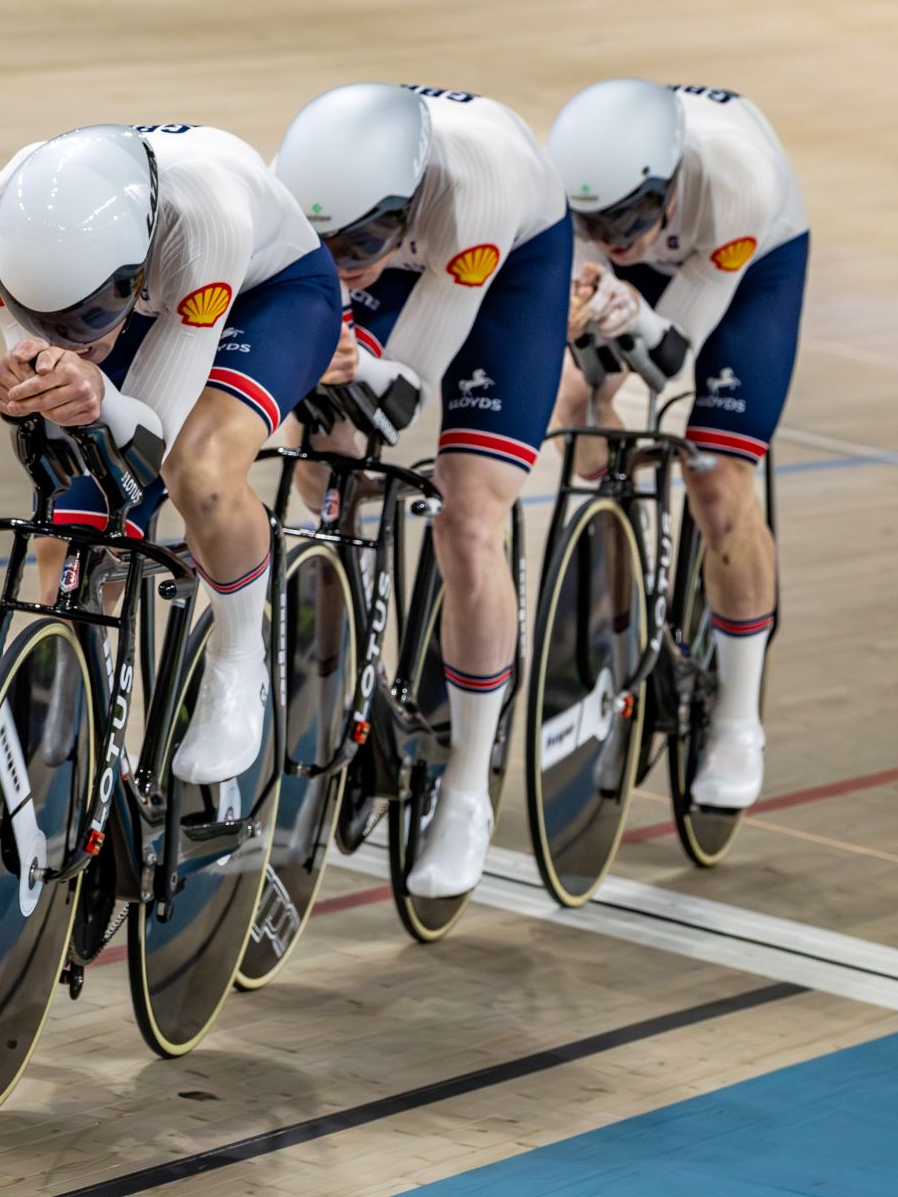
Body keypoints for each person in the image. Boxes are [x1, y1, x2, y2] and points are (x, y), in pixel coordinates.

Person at [0, 123, 339, 785]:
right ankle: (97, 772)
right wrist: (29, 388)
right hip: (138, 303)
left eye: (84, 323)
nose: (73, 342)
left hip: (260, 294)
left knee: (199, 467)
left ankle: (237, 658)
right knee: (71, 537)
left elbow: (150, 446)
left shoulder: (206, 215)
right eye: (56, 324)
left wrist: (94, 393)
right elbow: (56, 394)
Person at [273, 83, 572, 897]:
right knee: (326, 457)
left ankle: (468, 789)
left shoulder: (475, 188)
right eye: (320, 241)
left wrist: (349, 360)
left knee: (467, 516)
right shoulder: (300, 191)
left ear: (403, 204)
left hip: (503, 270)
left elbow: (405, 390)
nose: (341, 261)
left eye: (359, 239)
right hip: (409, 264)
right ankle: (351, 639)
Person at [547, 79, 809, 809]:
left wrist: (622, 314)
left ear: (669, 180)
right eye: (595, 220)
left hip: (748, 272)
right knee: (573, 401)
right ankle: (613, 572)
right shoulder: (570, 193)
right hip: (646, 279)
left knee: (716, 480)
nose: (615, 234)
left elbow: (668, 358)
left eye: (631, 214)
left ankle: (737, 719)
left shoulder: (736, 181)